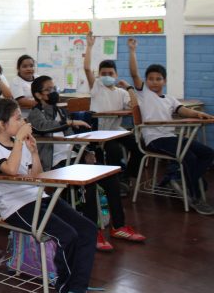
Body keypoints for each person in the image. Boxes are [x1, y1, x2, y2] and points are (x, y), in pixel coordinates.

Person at [0, 98, 99, 293]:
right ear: (2, 124)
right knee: (67, 236)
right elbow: (11, 170)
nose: (23, 122)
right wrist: (19, 142)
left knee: (87, 229)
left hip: (37, 196)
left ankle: (75, 292)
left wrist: (33, 152)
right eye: (18, 118)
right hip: (15, 205)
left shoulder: (18, 142)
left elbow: (37, 176)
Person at [29, 76, 145, 251]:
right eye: (49, 90)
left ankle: (118, 226)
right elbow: (43, 127)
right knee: (88, 184)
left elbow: (71, 136)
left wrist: (85, 152)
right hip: (55, 163)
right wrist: (69, 122)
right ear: (38, 95)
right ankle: (92, 232)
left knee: (111, 178)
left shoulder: (60, 111)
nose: (53, 92)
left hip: (73, 157)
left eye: (54, 88)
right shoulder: (35, 113)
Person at [128, 37, 214, 215]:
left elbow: (183, 110)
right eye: (150, 79)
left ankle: (181, 179)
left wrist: (199, 114)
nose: (154, 82)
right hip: (155, 139)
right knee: (189, 157)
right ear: (146, 81)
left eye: (158, 79)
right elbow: (134, 74)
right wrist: (132, 51)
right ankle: (195, 197)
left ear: (164, 81)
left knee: (207, 153)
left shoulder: (169, 99)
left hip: (171, 137)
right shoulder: (144, 94)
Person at [83, 33, 143, 188]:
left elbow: (134, 106)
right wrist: (89, 46)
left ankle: (127, 176)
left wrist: (129, 88)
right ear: (99, 75)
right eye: (103, 74)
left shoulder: (121, 92)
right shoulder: (97, 87)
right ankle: (113, 181)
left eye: (110, 73)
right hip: (99, 132)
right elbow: (87, 68)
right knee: (114, 150)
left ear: (116, 75)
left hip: (116, 130)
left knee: (139, 146)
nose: (107, 76)